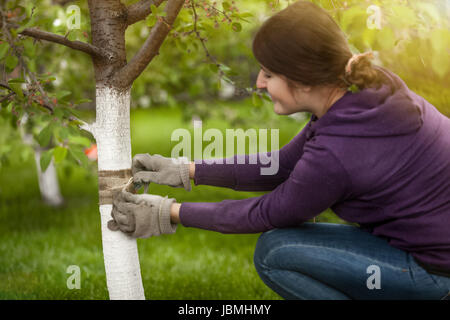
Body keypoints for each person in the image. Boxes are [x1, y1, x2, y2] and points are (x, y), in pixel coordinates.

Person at [107, 1, 450, 300]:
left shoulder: (337, 151)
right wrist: (187, 170)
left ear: (303, 79)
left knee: (275, 251)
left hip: (433, 273)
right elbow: (282, 166)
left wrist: (167, 212)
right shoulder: (364, 90)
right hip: (432, 252)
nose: (258, 82)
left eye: (269, 74)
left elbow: (266, 214)